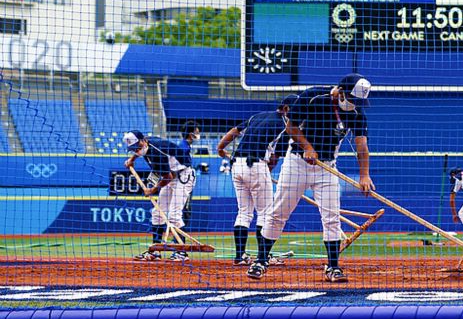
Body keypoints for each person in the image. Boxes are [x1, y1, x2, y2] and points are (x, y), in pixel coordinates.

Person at [249, 74, 373, 282]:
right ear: (340, 92)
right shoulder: (313, 96)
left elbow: (361, 146)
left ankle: (333, 267)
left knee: (331, 216)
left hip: (327, 167)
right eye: (351, 99)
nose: (354, 105)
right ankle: (261, 261)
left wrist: (364, 175)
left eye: (357, 102)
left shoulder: (357, 113)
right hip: (297, 162)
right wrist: (307, 147)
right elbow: (291, 127)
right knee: (279, 212)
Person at [216, 95, 296, 266]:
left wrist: (221, 148)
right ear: (287, 109)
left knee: (244, 212)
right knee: (265, 213)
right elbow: (274, 157)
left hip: (236, 165)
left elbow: (234, 131)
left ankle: (240, 256)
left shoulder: (257, 116)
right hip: (256, 163)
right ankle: (263, 257)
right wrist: (264, 173)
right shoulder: (285, 126)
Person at [123, 127, 197, 262]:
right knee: (157, 213)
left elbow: (167, 177)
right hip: (171, 175)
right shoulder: (145, 144)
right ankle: (155, 251)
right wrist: (132, 159)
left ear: (143, 140)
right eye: (133, 148)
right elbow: (141, 152)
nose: (136, 150)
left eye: (137, 146)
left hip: (183, 175)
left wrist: (153, 190)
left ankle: (181, 252)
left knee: (174, 214)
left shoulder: (157, 153)